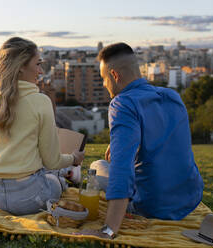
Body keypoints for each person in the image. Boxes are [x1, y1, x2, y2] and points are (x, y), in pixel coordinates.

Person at [78, 43, 203, 239]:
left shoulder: (122, 103)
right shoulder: (172, 96)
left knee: (98, 165)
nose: (103, 84)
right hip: (189, 200)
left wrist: (108, 230)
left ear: (115, 75)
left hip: (152, 206)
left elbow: (121, 167)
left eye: (103, 78)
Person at [0, 37, 84, 216]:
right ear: (21, 65)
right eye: (38, 64)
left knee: (45, 168)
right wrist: (74, 158)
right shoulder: (39, 101)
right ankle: (68, 172)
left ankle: (66, 171)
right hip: (28, 199)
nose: (40, 70)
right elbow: (51, 161)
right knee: (54, 181)